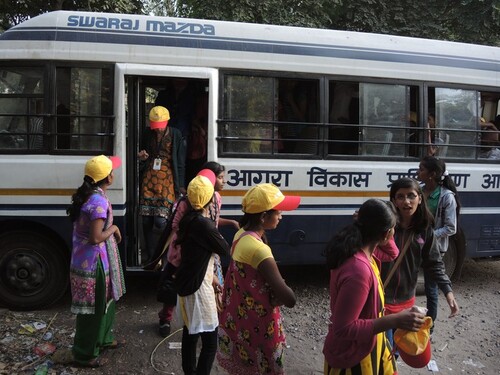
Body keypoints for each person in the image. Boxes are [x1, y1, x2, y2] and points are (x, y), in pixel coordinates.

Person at [323, 199, 425, 375]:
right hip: (354, 358)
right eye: (393, 229)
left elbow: (393, 253)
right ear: (386, 234)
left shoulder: (363, 252)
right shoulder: (358, 270)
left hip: (368, 344)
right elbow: (343, 328)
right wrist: (397, 320)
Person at [217, 183, 300, 375]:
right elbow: (290, 299)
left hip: (241, 321)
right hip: (259, 327)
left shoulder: (240, 234)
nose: (281, 216)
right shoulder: (259, 249)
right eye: (278, 211)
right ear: (263, 217)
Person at [382, 177, 459, 346]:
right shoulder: (383, 226)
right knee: (383, 350)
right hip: (381, 301)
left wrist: (448, 291)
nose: (406, 201)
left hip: (406, 301)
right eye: (400, 196)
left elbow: (434, 263)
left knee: (397, 349)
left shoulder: (424, 231)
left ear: (420, 198)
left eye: (411, 196)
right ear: (394, 200)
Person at [66, 155, 126, 368]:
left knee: (105, 302)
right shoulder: (98, 202)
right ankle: (83, 354)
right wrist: (115, 228)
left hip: (93, 260)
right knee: (92, 309)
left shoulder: (89, 195)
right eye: (112, 170)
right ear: (108, 178)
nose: (113, 173)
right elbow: (95, 237)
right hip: (93, 264)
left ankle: (103, 339)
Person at [174, 174, 230, 375]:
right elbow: (224, 248)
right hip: (198, 289)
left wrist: (212, 277)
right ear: (209, 199)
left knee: (190, 334)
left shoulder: (188, 219)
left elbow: (197, 255)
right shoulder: (203, 224)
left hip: (189, 283)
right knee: (210, 342)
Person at [138, 105, 186, 262]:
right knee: (146, 220)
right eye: (155, 126)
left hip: (168, 180)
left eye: (160, 126)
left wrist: (180, 185)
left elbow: (179, 161)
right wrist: (142, 156)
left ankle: (164, 254)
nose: (157, 130)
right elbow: (141, 153)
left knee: (160, 221)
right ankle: (151, 257)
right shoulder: (147, 133)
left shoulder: (175, 134)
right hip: (148, 178)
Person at [417, 156, 460, 332]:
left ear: (432, 174)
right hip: (414, 245)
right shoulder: (418, 191)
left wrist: (429, 236)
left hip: (433, 248)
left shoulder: (446, 197)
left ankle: (429, 327)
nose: (418, 172)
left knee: (431, 289)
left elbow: (451, 228)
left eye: (421, 169)